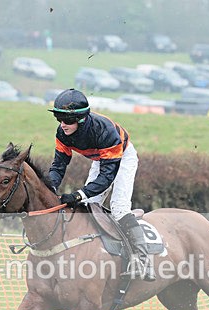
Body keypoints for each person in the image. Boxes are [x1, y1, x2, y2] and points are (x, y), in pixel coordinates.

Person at [47, 88, 154, 281]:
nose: (63, 125)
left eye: (68, 120)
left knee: (119, 207)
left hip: (122, 156)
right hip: (100, 158)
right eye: (59, 119)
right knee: (89, 208)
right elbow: (58, 166)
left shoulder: (104, 130)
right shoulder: (62, 133)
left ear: (81, 119)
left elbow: (106, 178)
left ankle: (143, 261)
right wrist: (50, 187)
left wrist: (78, 194)